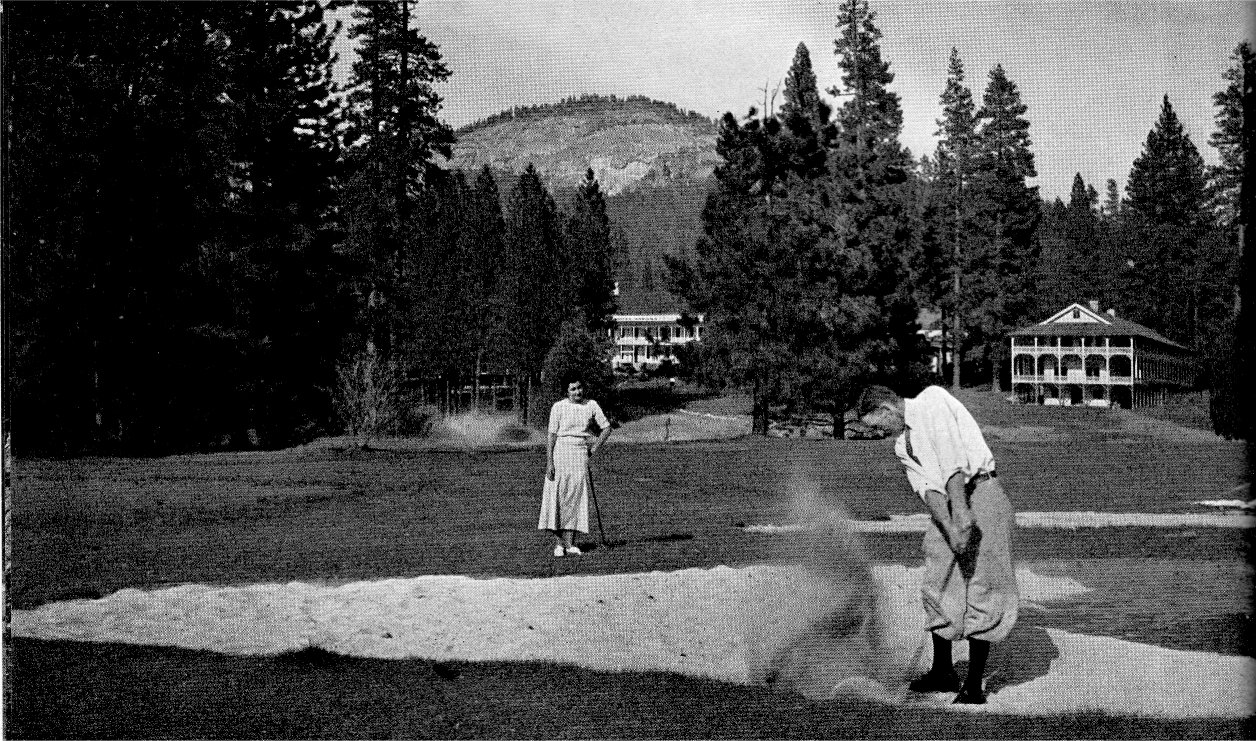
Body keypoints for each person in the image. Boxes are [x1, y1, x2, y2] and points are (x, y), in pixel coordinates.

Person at [855, 384, 1018, 704]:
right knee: (937, 578)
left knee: (981, 585)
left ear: (887, 410)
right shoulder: (902, 444)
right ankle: (943, 671)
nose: (879, 433)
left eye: (877, 425)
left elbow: (953, 461)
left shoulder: (931, 401)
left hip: (981, 492)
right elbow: (928, 489)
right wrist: (948, 526)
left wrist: (961, 512)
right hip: (948, 502)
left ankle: (973, 686)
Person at [538, 377, 612, 557]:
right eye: (573, 389)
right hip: (560, 453)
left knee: (575, 498)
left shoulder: (591, 405)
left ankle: (571, 544)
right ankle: (559, 545)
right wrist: (549, 462)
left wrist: (593, 449)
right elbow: (551, 436)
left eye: (579, 388)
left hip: (579, 455)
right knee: (558, 497)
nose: (577, 392)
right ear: (567, 391)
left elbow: (607, 428)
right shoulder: (558, 407)